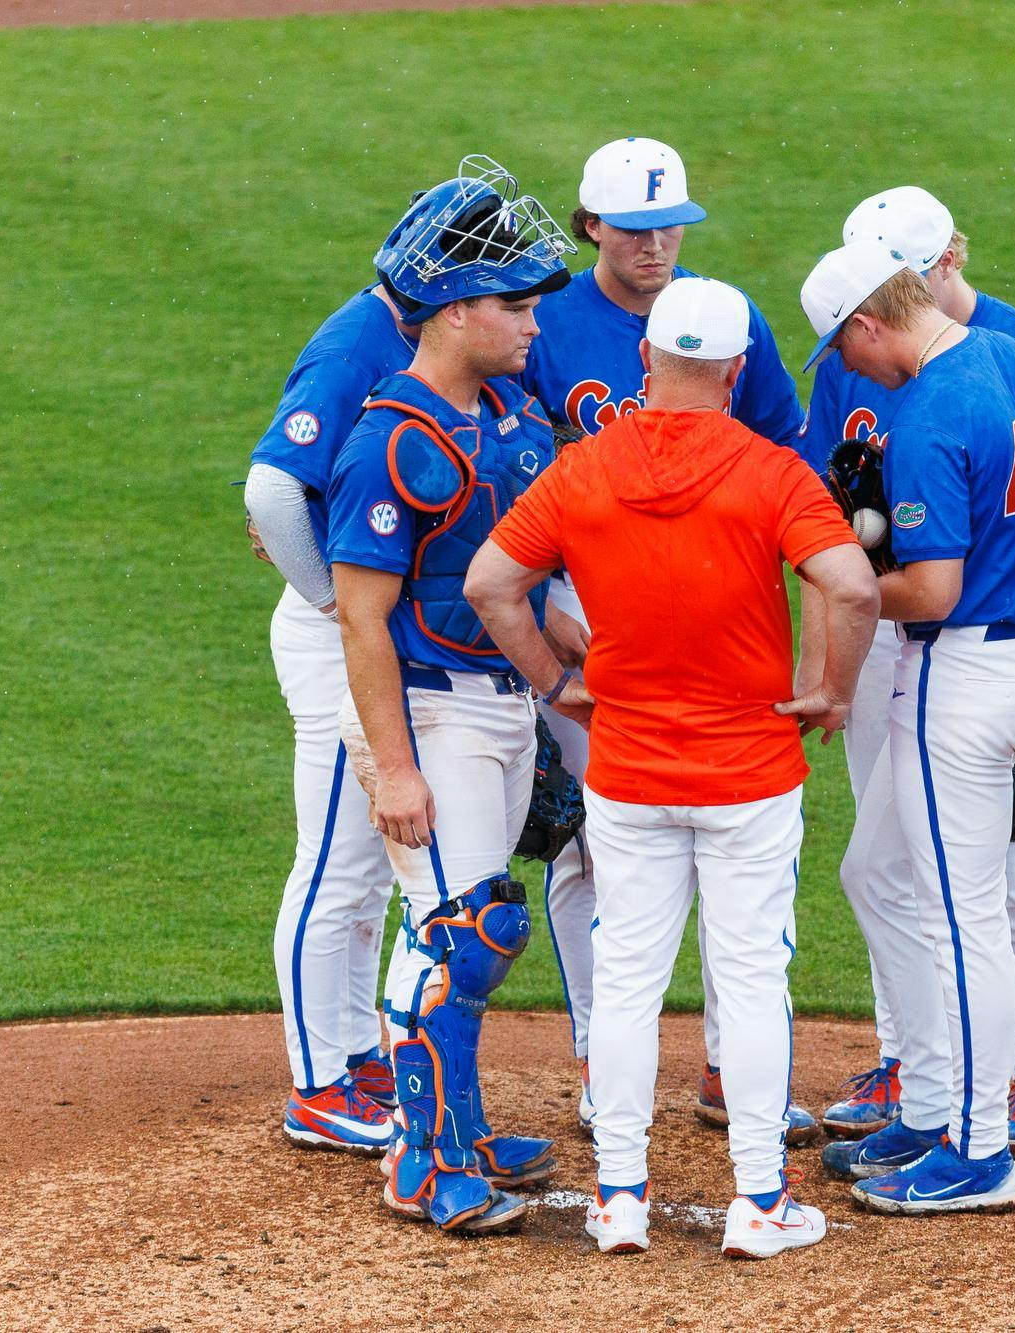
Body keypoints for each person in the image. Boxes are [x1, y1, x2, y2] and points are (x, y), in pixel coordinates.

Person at [467, 276, 878, 1259]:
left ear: (645, 360)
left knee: (624, 983)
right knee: (748, 981)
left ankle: (616, 1199)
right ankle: (759, 1202)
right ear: (736, 371)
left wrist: (556, 681)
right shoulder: (769, 470)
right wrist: (830, 687)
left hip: (629, 770)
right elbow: (853, 585)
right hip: (748, 773)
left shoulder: (583, 469)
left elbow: (491, 583)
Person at [515, 136, 817, 1141]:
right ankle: (604, 1066)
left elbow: (780, 457)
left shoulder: (726, 321)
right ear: (590, 225)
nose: (655, 246)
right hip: (580, 602)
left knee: (740, 862)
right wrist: (557, 646)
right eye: (635, 229)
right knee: (595, 848)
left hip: (710, 614)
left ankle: (731, 1069)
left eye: (670, 226)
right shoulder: (546, 327)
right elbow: (518, 481)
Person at [802, 188, 1015, 1153]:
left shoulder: (929, 411)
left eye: (842, 348)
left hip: (961, 670)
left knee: (961, 912)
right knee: (879, 870)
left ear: (867, 322)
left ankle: (975, 1147)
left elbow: (929, 589)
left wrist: (850, 586)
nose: (845, 370)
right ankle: (931, 1102)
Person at [322, 158, 574, 1235]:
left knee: (465, 927)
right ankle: (421, 1163)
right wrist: (394, 768)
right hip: (430, 708)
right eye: (513, 307)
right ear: (454, 310)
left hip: (501, 705)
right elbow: (360, 616)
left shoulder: (511, 418)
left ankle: (456, 1132)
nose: (530, 326)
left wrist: (577, 690)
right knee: (461, 929)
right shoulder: (394, 439)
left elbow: (529, 585)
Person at [245, 189, 430, 1156]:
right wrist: (333, 604)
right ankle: (319, 1082)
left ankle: (356, 1046)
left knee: (368, 870)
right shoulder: (360, 340)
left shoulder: (409, 329)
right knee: (338, 861)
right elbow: (274, 491)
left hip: (373, 629)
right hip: (335, 638)